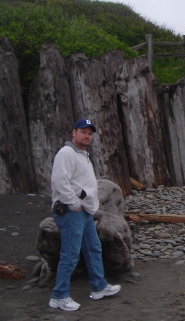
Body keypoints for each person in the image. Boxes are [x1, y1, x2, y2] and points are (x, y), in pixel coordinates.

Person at [49, 119, 121, 311]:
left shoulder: (82, 155)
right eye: (83, 132)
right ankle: (59, 295)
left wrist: (85, 205)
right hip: (71, 211)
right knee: (70, 254)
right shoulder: (66, 153)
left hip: (84, 211)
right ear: (74, 132)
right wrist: (74, 204)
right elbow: (59, 182)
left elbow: (77, 182)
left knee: (93, 248)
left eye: (90, 133)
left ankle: (98, 287)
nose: (87, 136)